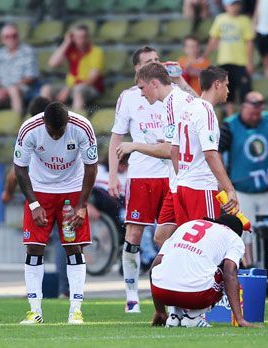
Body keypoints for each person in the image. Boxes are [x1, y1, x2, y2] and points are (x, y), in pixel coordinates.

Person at [13, 102, 98, 325]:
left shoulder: (82, 127)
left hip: (72, 190)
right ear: (44, 122)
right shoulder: (29, 130)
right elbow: (19, 168)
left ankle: (76, 311)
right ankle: (35, 311)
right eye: (52, 132)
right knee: (33, 248)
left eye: (61, 132)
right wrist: (33, 204)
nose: (57, 135)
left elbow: (91, 167)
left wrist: (82, 205)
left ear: (68, 122)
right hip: (41, 191)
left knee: (73, 247)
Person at [108, 47, 170, 314]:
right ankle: (132, 294)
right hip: (142, 175)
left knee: (171, 236)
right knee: (134, 234)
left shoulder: (173, 94)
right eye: (148, 62)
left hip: (171, 174)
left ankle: (171, 288)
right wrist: (112, 175)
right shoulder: (129, 98)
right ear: (137, 70)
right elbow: (116, 138)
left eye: (157, 60)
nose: (155, 65)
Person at [116, 63, 197, 247]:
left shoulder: (172, 103)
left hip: (190, 181)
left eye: (142, 88)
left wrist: (135, 146)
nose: (142, 94)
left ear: (154, 83)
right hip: (176, 179)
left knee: (191, 236)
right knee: (162, 237)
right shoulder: (177, 100)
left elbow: (169, 151)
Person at [150, 214, 257, 328]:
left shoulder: (187, 225)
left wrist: (160, 311)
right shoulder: (234, 238)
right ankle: (192, 317)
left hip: (161, 292)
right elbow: (229, 273)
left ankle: (175, 315)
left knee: (179, 266)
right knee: (223, 270)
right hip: (195, 296)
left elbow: (154, 267)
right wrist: (239, 319)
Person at [171, 66, 239, 227]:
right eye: (226, 85)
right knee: (205, 243)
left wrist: (183, 176)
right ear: (217, 84)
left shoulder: (187, 108)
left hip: (182, 186)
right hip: (201, 188)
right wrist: (229, 189)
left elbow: (174, 150)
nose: (228, 90)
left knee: (186, 243)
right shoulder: (206, 112)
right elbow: (210, 154)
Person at [219, 91, 268, 267]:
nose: (255, 117)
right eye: (251, 113)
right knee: (246, 232)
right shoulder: (230, 126)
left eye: (257, 113)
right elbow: (217, 154)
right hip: (241, 189)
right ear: (244, 106)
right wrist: (224, 182)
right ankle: (250, 266)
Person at [203, 0, 254, 115]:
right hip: (224, 61)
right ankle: (231, 119)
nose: (235, 7)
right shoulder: (220, 19)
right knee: (227, 92)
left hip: (241, 62)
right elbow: (214, 39)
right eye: (232, 4)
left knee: (244, 92)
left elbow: (249, 43)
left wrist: (249, 62)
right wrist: (205, 55)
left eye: (237, 4)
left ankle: (244, 117)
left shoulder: (245, 20)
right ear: (225, 5)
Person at [0, 24, 49, 114]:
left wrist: (9, 89)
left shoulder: (27, 51)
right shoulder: (0, 54)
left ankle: (18, 119)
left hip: (24, 88)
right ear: (2, 39)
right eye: (8, 37)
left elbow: (31, 77)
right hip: (3, 89)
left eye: (14, 36)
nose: (12, 39)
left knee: (13, 89)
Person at [48, 24, 104, 111]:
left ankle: (76, 122)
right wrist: (66, 42)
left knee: (78, 90)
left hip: (91, 88)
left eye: (84, 37)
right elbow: (52, 64)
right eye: (78, 37)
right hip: (70, 87)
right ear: (72, 38)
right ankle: (46, 121)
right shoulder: (70, 50)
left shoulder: (96, 51)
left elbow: (91, 79)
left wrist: (69, 88)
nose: (82, 40)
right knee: (46, 89)